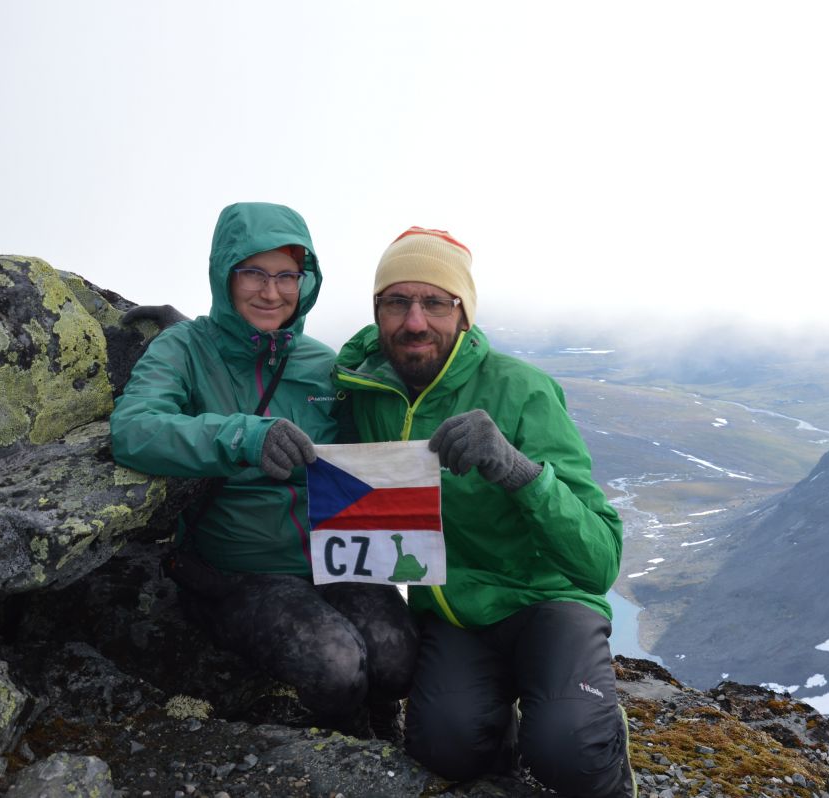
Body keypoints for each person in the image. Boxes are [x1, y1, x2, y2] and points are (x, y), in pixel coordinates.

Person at [334, 227, 635, 796]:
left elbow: (598, 562)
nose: (415, 321)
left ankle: (602, 751)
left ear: (464, 315)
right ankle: (503, 755)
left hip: (549, 600)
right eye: (396, 301)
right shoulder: (360, 389)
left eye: (436, 303)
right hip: (457, 611)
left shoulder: (524, 391)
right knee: (446, 747)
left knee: (570, 748)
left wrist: (518, 471)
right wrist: (206, 337)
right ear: (376, 312)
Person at [110, 202, 417, 735]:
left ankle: (381, 710)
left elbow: (371, 448)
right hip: (238, 569)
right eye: (252, 272)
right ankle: (345, 737)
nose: (270, 292)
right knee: (335, 665)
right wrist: (243, 434)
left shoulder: (322, 365)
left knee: (398, 660)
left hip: (334, 559)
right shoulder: (183, 349)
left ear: (307, 281)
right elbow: (134, 429)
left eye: (286, 276)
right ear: (223, 274)